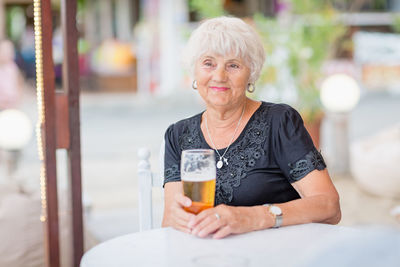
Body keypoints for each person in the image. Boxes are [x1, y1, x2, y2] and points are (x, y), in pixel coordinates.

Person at [162, 16, 341, 239]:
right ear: (195, 72)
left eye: (233, 65)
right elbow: (169, 221)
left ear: (251, 74)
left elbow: (329, 206)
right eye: (208, 63)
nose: (219, 76)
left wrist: (252, 217)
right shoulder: (178, 135)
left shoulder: (279, 122)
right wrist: (178, 218)